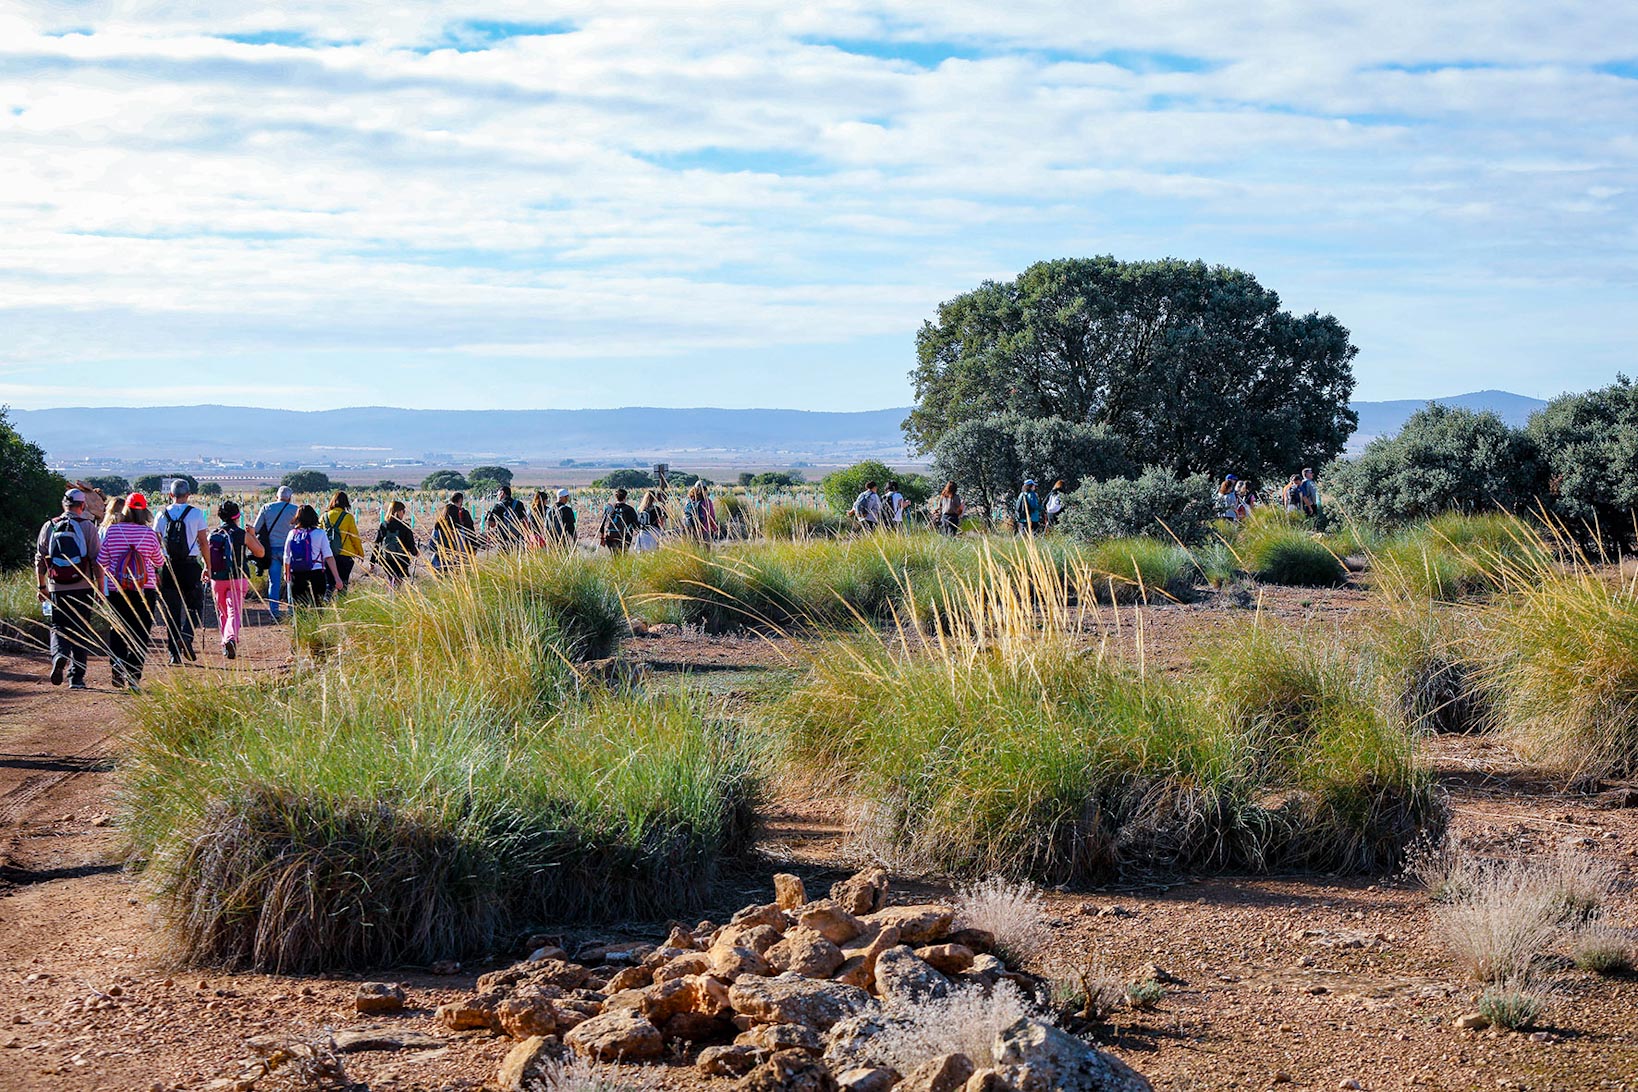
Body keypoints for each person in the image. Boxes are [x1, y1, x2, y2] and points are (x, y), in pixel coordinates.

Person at [34, 487, 102, 689]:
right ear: (82, 506)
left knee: (59, 625)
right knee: (81, 628)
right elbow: (96, 560)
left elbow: (40, 558)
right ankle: (76, 678)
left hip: (57, 586)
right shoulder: (88, 527)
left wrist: (41, 586)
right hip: (83, 585)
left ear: (64, 505)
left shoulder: (49, 526)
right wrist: (99, 587)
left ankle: (60, 655)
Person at [97, 492, 164, 690]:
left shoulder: (113, 531)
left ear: (125, 509)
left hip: (117, 589)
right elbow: (159, 561)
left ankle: (117, 663)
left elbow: (102, 561)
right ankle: (134, 677)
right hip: (145, 589)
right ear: (144, 511)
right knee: (140, 632)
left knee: (118, 628)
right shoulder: (149, 534)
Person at [153, 479, 209, 665]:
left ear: (170, 495)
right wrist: (208, 566)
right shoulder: (196, 514)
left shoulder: (161, 515)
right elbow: (203, 542)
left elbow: (155, 542)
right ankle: (187, 635)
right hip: (191, 566)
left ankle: (173, 654)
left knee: (172, 610)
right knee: (195, 605)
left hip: (169, 567)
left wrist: (156, 567)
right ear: (188, 495)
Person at [207, 500, 265, 660]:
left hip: (217, 579)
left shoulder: (213, 534)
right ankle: (230, 639)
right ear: (237, 516)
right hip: (238, 578)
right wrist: (253, 535)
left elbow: (207, 555)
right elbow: (260, 553)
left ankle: (225, 642)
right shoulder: (242, 534)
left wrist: (207, 569)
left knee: (223, 612)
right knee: (234, 611)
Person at [284, 504, 343, 607]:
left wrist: (286, 573)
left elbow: (287, 556)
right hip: (316, 573)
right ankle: (317, 623)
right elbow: (328, 556)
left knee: (299, 607)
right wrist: (337, 577)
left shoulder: (292, 534)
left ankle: (300, 623)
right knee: (318, 606)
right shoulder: (320, 533)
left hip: (297, 573)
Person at [253, 487, 298, 621]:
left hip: (271, 549)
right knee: (290, 580)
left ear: (276, 496)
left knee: (274, 582)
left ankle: (274, 612)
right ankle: (291, 611)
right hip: (289, 550)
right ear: (289, 497)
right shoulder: (295, 509)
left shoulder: (266, 508)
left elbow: (255, 529)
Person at [321, 491, 363, 593]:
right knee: (343, 584)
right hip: (345, 555)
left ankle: (326, 606)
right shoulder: (348, 517)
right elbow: (354, 537)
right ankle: (341, 606)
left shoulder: (324, 517)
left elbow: (319, 536)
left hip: (328, 555)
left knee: (329, 585)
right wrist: (360, 553)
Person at [371, 500, 420, 587]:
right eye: (403, 511)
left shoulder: (384, 525)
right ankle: (395, 596)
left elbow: (377, 543)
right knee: (398, 580)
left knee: (391, 578)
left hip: (387, 559)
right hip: (401, 559)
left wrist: (372, 561)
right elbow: (410, 544)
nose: (404, 513)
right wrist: (415, 553)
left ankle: (392, 594)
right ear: (398, 511)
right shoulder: (405, 526)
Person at [430, 492, 478, 571]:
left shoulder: (439, 522)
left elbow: (431, 544)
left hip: (438, 558)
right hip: (453, 558)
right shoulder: (459, 517)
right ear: (460, 500)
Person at [485, 485, 529, 551]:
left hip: (503, 539)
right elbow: (525, 520)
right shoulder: (519, 504)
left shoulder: (498, 506)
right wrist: (526, 535)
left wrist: (488, 517)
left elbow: (492, 524)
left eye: (498, 494)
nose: (497, 496)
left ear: (502, 493)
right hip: (518, 538)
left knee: (503, 558)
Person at [599, 488, 640, 553]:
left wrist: (602, 538)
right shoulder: (629, 509)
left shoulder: (609, 508)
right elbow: (636, 526)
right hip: (625, 537)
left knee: (614, 555)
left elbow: (602, 524)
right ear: (625, 497)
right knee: (623, 556)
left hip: (610, 537)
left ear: (616, 497)